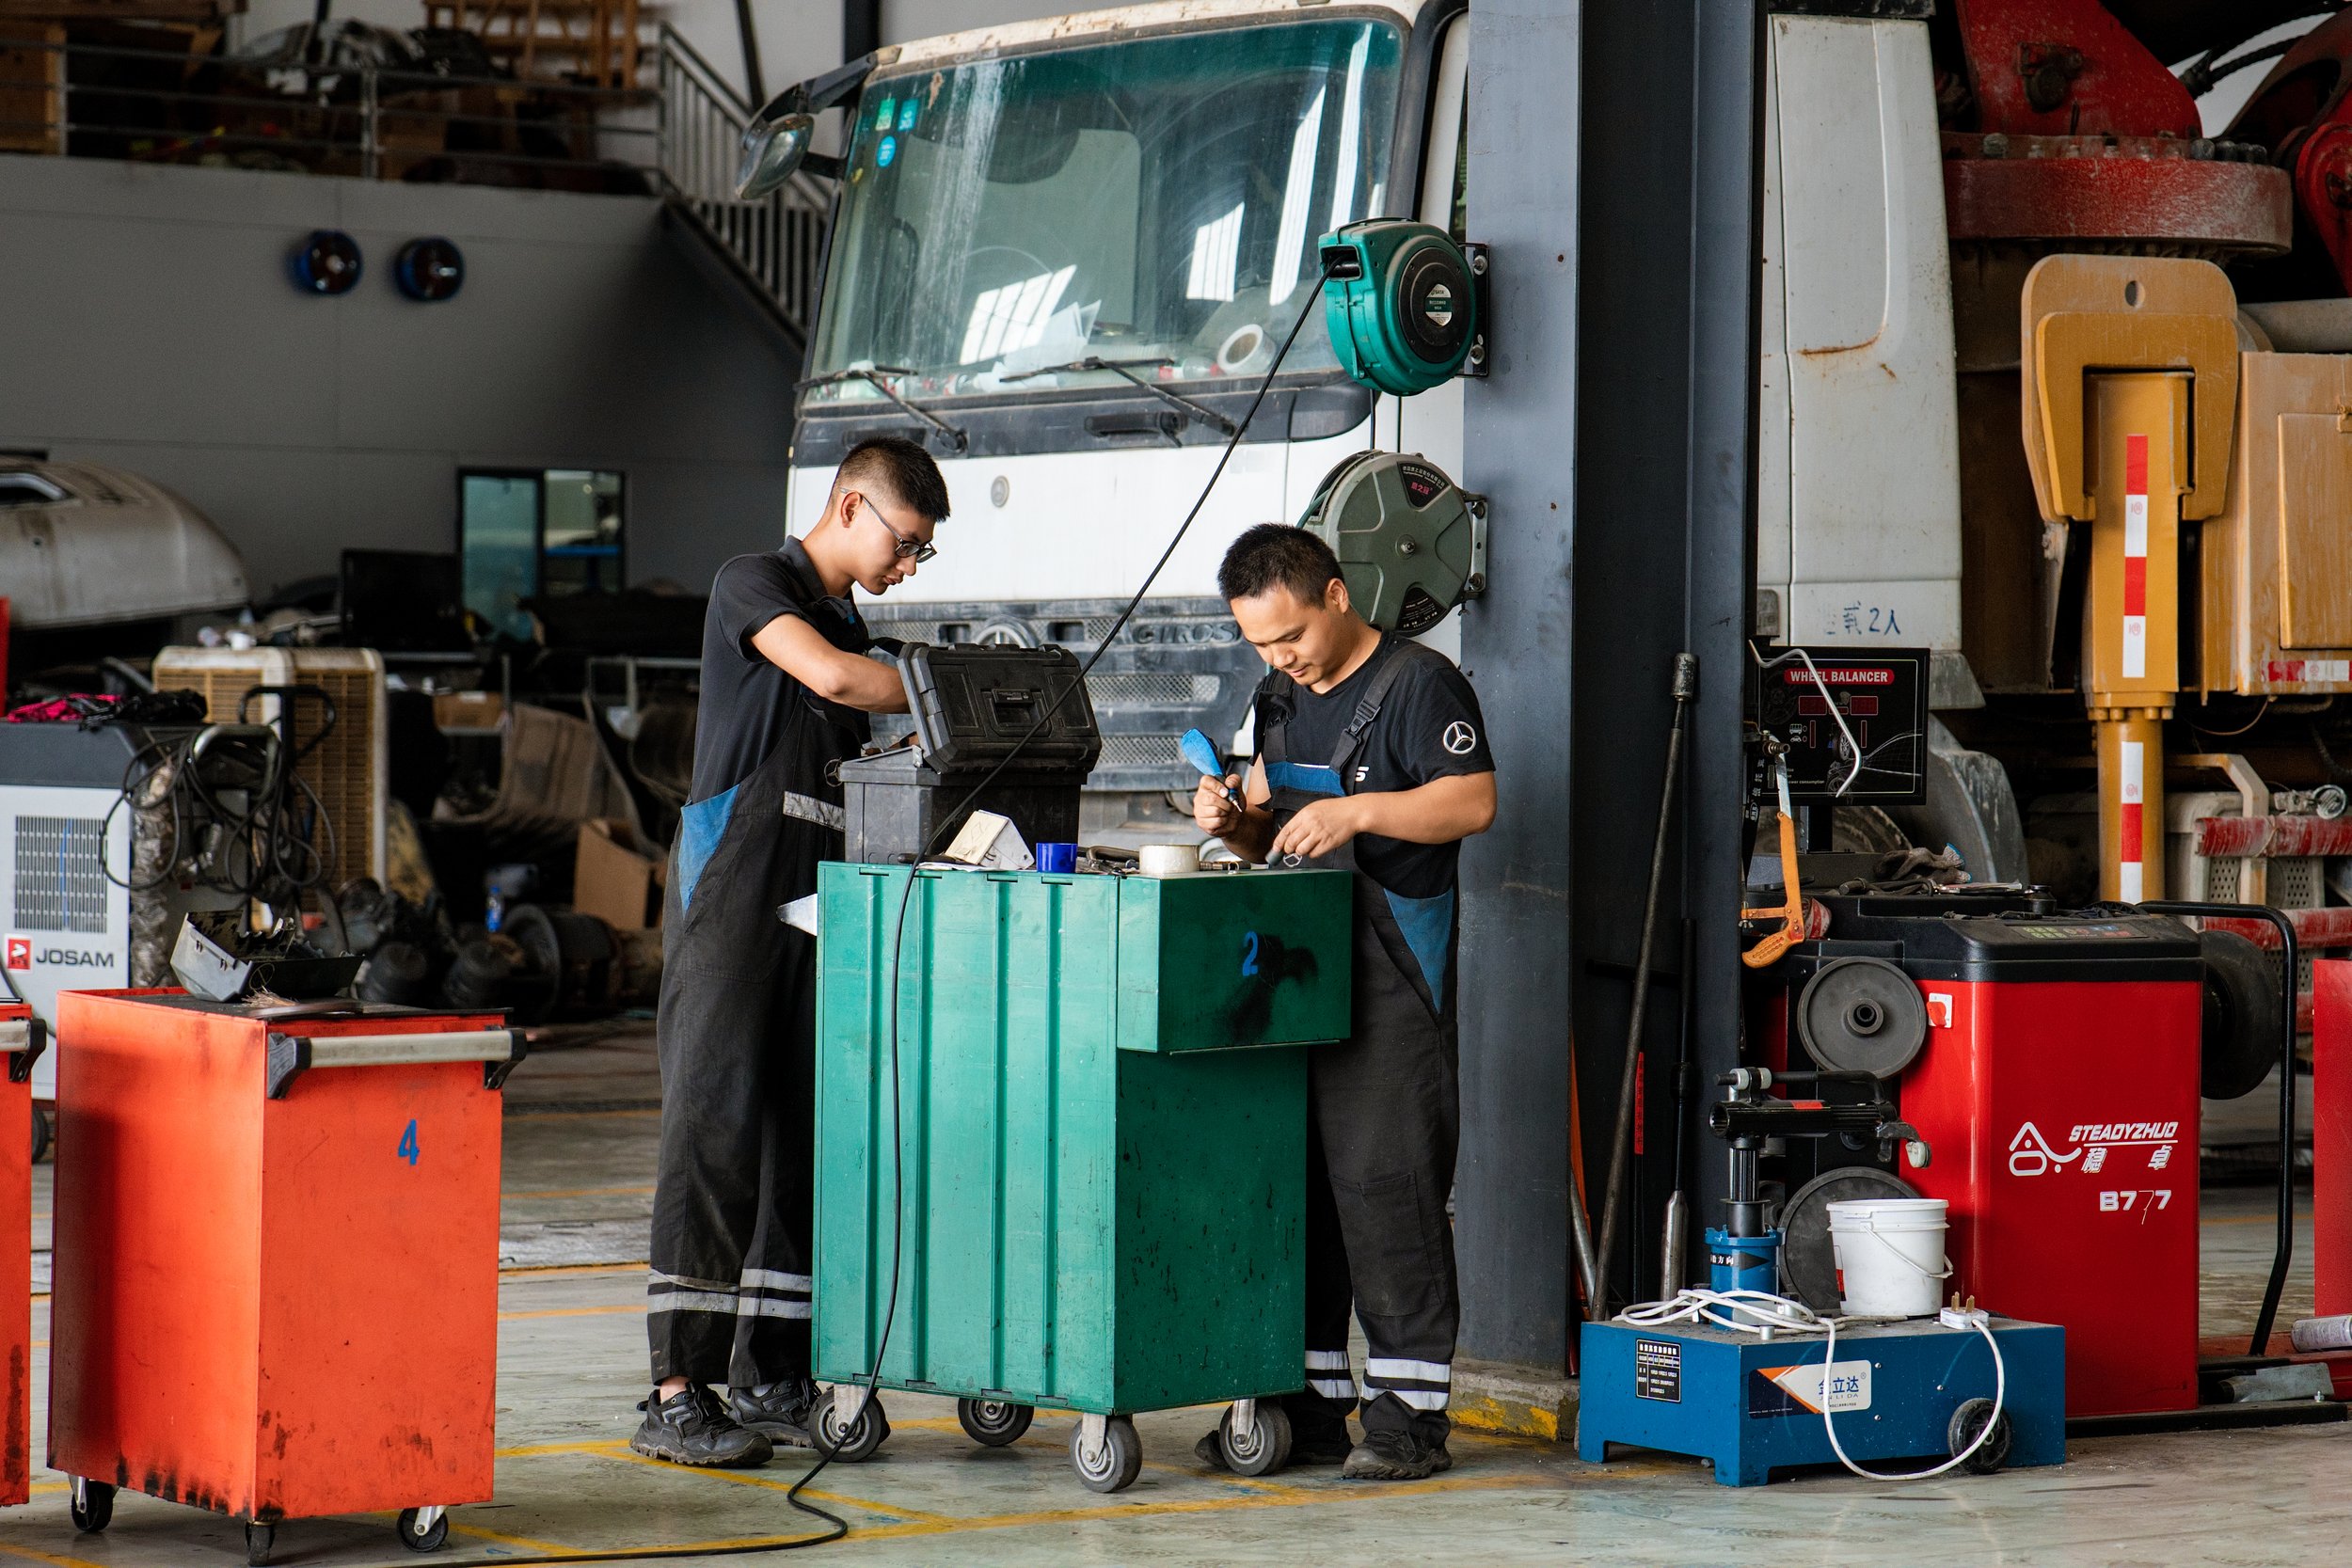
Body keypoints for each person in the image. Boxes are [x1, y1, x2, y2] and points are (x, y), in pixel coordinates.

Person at [632, 436, 949, 1467]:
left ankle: (770, 1367)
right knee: (713, 1124)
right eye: (907, 542)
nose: (908, 566)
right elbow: (832, 679)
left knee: (801, 1139)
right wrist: (955, 687)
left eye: (921, 555)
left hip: (821, 898)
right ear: (852, 504)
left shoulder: (855, 624)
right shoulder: (753, 583)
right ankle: (676, 1386)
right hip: (732, 889)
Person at [1190, 523, 1496, 1481]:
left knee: (1385, 1188)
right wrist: (1233, 819)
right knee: (1301, 1196)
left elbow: (1473, 800)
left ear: (1334, 594)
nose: (1276, 658)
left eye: (1288, 636)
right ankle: (1305, 1408)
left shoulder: (1418, 684)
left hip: (1392, 975)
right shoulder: (1277, 698)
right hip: (1294, 975)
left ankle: (1408, 1422)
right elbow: (1267, 840)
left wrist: (1358, 808)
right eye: (1258, 644)